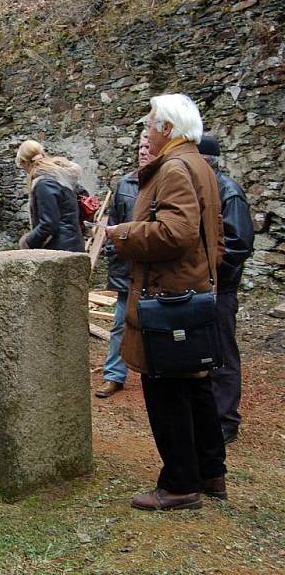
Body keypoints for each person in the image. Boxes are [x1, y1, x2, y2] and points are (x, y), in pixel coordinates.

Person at [106, 93, 226, 511]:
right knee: (196, 387)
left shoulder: (174, 167)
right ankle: (211, 472)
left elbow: (176, 234)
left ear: (168, 130)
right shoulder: (198, 164)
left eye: (151, 122)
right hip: (187, 293)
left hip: (169, 300)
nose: (147, 128)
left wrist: (121, 234)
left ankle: (179, 484)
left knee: (167, 393)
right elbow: (214, 236)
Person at [198, 134, 255, 444]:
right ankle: (210, 416)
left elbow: (239, 243)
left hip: (220, 289)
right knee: (204, 355)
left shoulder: (227, 192)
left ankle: (226, 422)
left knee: (222, 356)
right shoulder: (205, 188)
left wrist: (207, 267)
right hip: (203, 287)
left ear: (207, 161)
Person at [95, 130, 155, 399]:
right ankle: (113, 376)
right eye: (141, 146)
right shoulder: (126, 183)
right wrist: (113, 251)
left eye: (148, 146)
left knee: (156, 324)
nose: (143, 151)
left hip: (155, 269)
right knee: (121, 322)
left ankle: (157, 375)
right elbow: (113, 222)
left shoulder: (168, 182)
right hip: (127, 269)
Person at [16, 140, 85, 253]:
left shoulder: (44, 183)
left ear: (25, 162)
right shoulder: (60, 176)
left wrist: (28, 243)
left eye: (21, 165)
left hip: (59, 249)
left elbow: (48, 224)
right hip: (73, 243)